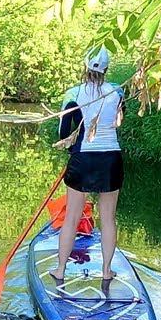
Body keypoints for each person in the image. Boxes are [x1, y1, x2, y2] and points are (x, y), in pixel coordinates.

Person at [50, 45, 124, 283]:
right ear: (107, 68)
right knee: (108, 218)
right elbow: (118, 121)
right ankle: (106, 271)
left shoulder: (73, 93)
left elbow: (63, 132)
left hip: (83, 158)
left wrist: (72, 147)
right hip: (111, 158)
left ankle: (60, 270)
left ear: (85, 66)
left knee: (72, 216)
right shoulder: (117, 92)